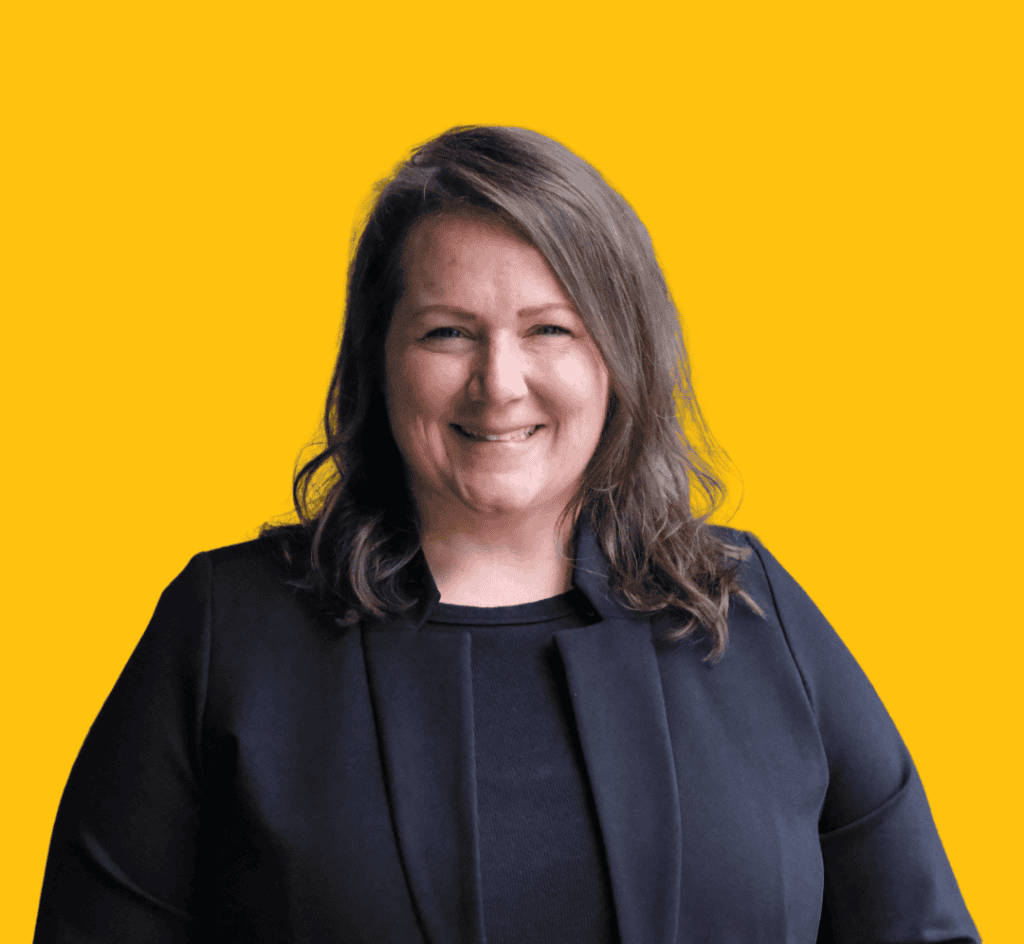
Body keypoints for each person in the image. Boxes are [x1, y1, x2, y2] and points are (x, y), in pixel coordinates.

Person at [34, 126, 979, 944]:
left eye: (551, 330)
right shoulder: (225, 629)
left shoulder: (748, 604)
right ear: (381, 359)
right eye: (448, 332)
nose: (500, 382)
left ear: (620, 356)